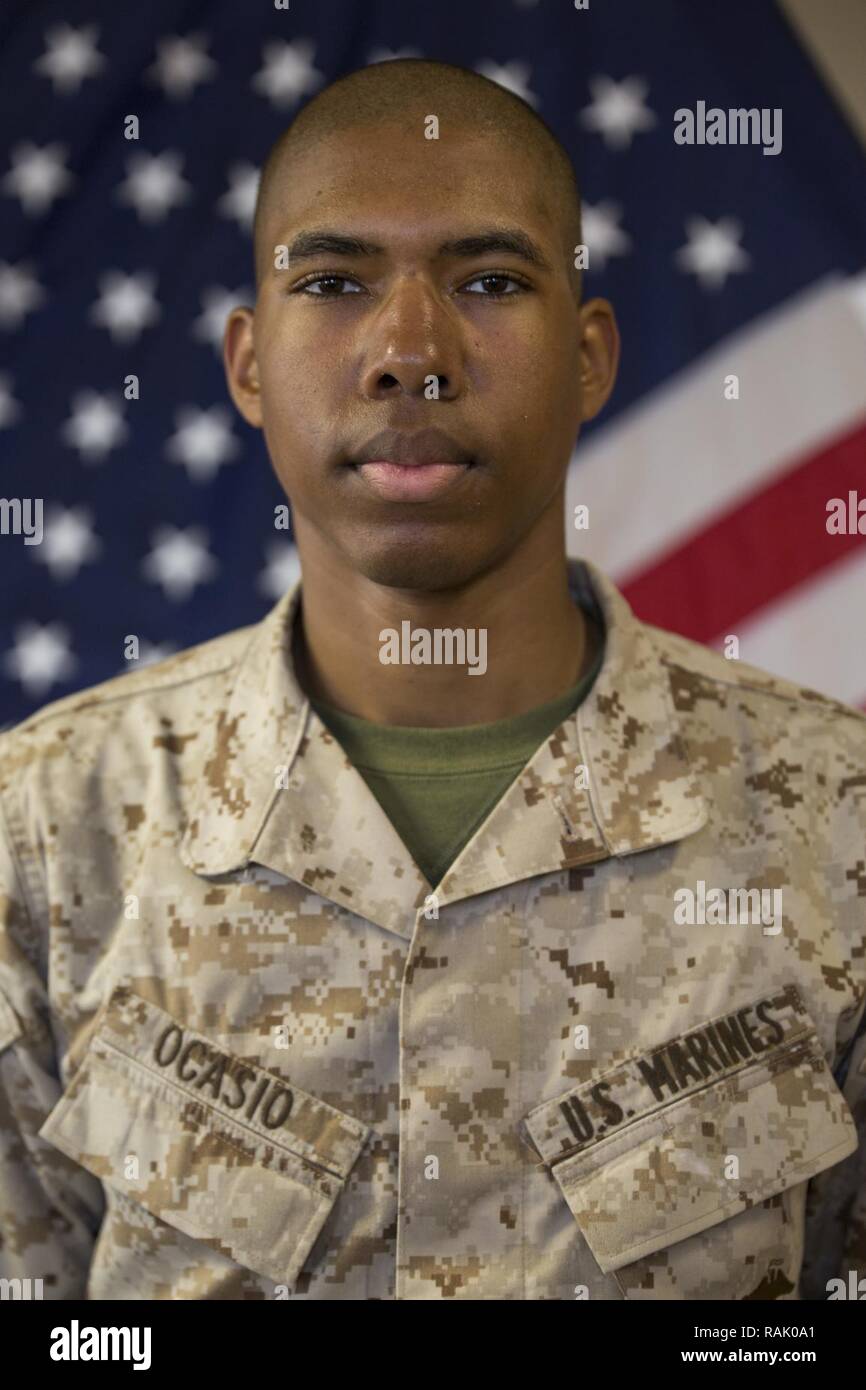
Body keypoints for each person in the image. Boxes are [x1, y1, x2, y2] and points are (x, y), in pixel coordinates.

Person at [0, 58, 863, 1302]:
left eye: (489, 281)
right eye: (333, 283)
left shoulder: (835, 822)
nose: (410, 352)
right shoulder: (42, 827)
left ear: (587, 358)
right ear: (248, 365)